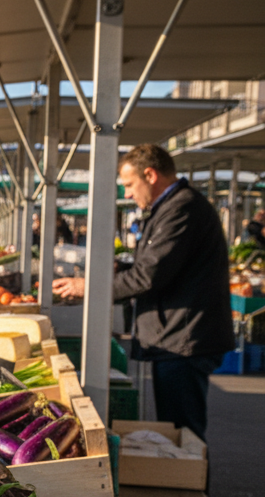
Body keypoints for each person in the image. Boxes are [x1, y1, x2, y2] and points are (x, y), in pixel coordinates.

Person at [53, 144, 233, 439]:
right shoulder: (171, 207)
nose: (127, 194)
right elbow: (154, 267)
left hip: (183, 338)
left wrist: (90, 287)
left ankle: (188, 483)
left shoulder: (182, 208)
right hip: (176, 334)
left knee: (184, 434)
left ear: (150, 175)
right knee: (178, 430)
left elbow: (149, 276)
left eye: (129, 184)